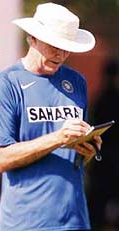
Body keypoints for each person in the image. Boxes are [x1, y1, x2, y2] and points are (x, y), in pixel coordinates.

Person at [0, 3, 102, 231]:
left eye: (67, 47)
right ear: (32, 38)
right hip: (26, 222)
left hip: (75, 220)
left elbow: (71, 155)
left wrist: (87, 149)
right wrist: (58, 138)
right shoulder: (6, 84)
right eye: (54, 45)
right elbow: (0, 159)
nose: (61, 54)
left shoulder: (76, 82)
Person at [88, 58, 119, 230]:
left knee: (97, 210)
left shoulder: (101, 99)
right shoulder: (105, 99)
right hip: (107, 161)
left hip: (103, 160)